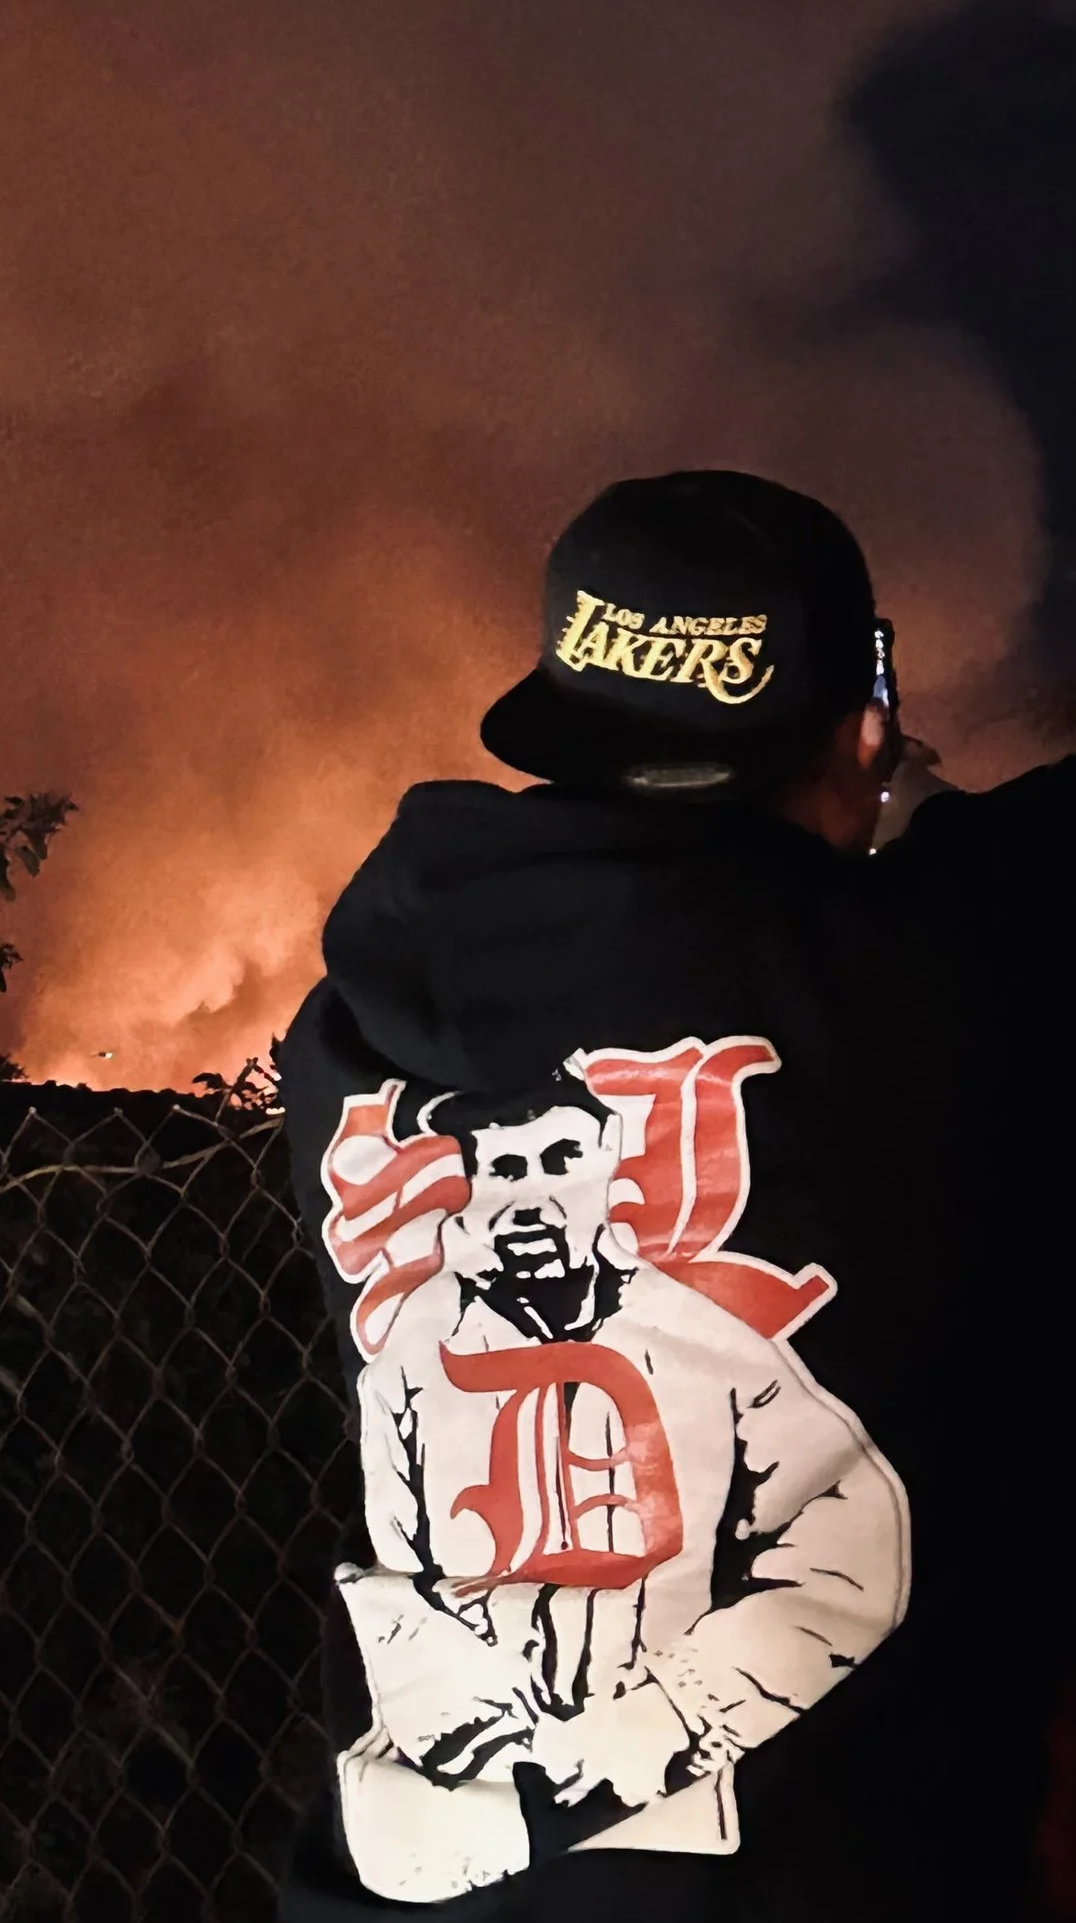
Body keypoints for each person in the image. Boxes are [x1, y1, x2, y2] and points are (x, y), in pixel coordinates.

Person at [277, 470, 1062, 1920]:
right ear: (865, 726)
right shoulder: (953, 976)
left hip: (410, 1887)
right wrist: (920, 809)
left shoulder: (353, 1023)